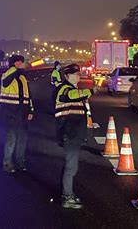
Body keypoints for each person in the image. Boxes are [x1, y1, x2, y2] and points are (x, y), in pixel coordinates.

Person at [55, 64, 95, 209]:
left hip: (73, 133)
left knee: (71, 166)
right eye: (75, 74)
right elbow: (70, 97)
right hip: (69, 133)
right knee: (71, 167)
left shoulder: (72, 89)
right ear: (66, 76)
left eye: (79, 73)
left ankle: (67, 194)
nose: (78, 76)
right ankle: (67, 197)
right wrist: (90, 91)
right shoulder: (65, 89)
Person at [0, 55, 34, 173]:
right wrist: (15, 68)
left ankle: (20, 162)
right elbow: (5, 82)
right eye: (22, 62)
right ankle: (7, 163)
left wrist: (30, 110)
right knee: (11, 138)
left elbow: (28, 95)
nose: (25, 64)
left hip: (22, 112)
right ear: (17, 63)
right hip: (11, 112)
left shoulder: (23, 77)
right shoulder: (7, 74)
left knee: (22, 139)